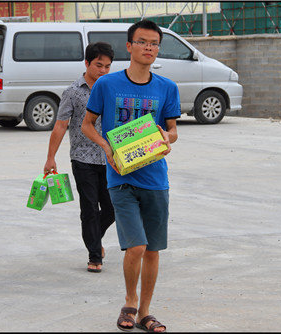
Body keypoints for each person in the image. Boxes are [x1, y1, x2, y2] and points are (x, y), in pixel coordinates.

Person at [82, 20, 180, 332]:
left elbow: (173, 130)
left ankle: (145, 313)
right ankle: (129, 301)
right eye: (142, 42)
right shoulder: (106, 85)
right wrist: (105, 147)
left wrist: (167, 138)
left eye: (153, 43)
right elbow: (87, 124)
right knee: (136, 246)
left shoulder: (167, 88)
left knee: (152, 250)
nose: (148, 48)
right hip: (121, 176)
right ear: (129, 46)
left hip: (155, 177)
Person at [43, 42, 115, 273]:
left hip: (111, 158)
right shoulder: (73, 92)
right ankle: (95, 255)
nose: (103, 71)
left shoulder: (112, 88)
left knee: (113, 208)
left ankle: (95, 236)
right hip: (83, 159)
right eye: (98, 65)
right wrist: (50, 158)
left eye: (107, 66)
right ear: (87, 63)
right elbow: (61, 125)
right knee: (89, 209)